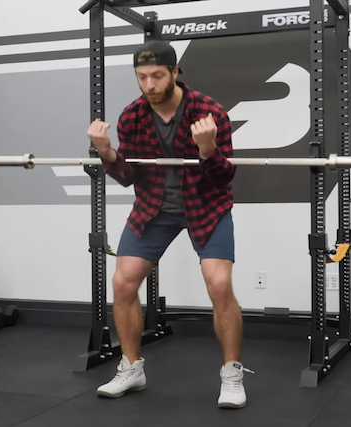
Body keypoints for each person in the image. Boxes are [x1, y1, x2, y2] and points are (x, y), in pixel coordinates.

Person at [86, 40, 251, 409]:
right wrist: (107, 153)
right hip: (153, 209)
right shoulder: (132, 117)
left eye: (157, 76)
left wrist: (208, 150)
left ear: (175, 73)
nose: (149, 85)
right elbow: (128, 176)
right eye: (142, 77)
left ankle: (232, 373)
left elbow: (223, 179)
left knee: (220, 285)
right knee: (123, 282)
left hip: (206, 207)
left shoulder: (209, 112)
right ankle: (131, 367)